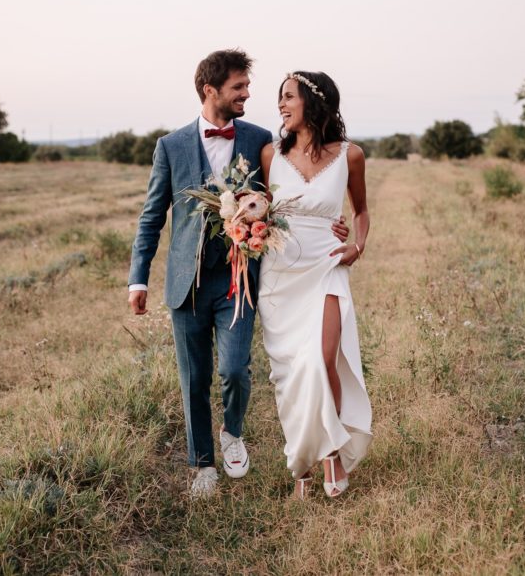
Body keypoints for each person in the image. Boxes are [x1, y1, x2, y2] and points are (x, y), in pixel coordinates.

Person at [128, 50, 350, 498]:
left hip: (240, 278)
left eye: (248, 87)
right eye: (239, 87)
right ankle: (202, 466)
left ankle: (233, 431)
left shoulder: (258, 139)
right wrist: (139, 278)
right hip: (186, 284)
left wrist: (330, 224)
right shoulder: (170, 146)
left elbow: (285, 196)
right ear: (211, 90)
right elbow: (152, 216)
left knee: (234, 369)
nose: (248, 94)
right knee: (194, 377)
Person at [258, 70, 372, 499]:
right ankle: (303, 463)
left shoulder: (351, 155)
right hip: (280, 275)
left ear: (314, 101)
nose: (282, 105)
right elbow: (259, 209)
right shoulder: (270, 154)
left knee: (323, 358)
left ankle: (333, 454)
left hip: (327, 264)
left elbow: (360, 212)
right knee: (291, 372)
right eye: (280, 99)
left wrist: (357, 246)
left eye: (288, 97)